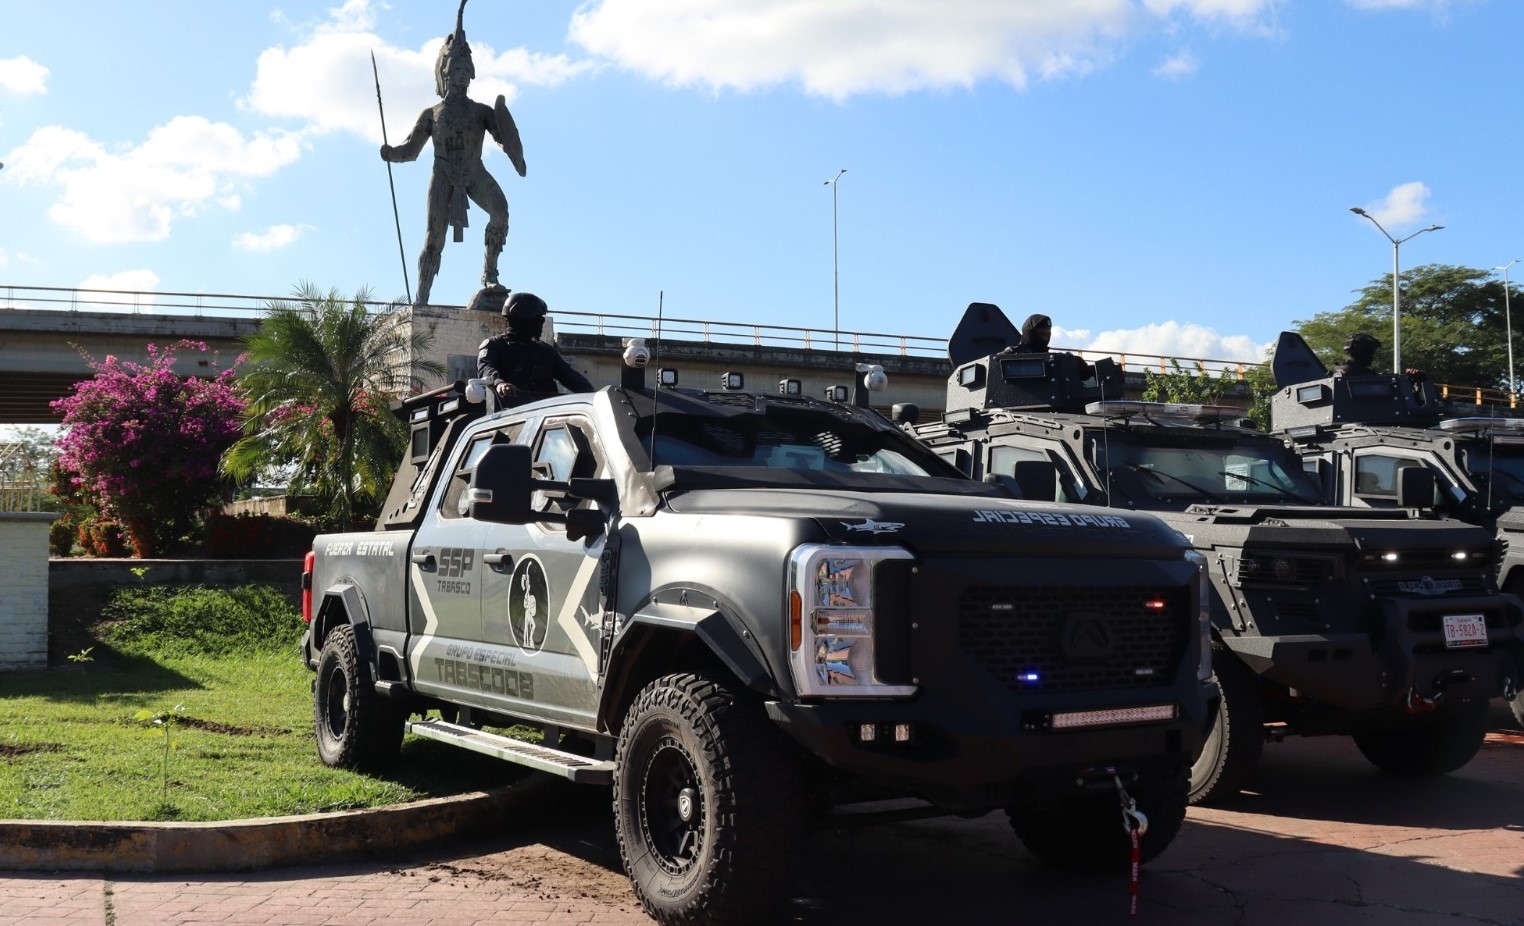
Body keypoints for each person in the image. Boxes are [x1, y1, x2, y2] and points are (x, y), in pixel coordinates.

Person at [380, 2, 525, 306]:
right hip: (443, 175)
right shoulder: (432, 114)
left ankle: (490, 272)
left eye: (466, 70)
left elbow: (503, 137)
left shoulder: (481, 111)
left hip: (474, 173)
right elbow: (411, 150)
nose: (462, 75)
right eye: (456, 68)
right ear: (446, 70)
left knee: (500, 210)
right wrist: (392, 153)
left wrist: (513, 150)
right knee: (434, 237)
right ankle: (422, 296)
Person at [477, 292, 593, 403]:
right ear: (523, 319)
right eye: (537, 319)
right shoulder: (494, 345)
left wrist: (593, 395)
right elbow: (486, 369)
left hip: (546, 411)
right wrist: (499, 383)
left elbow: (570, 376)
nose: (541, 323)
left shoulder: (545, 350)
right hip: (509, 411)